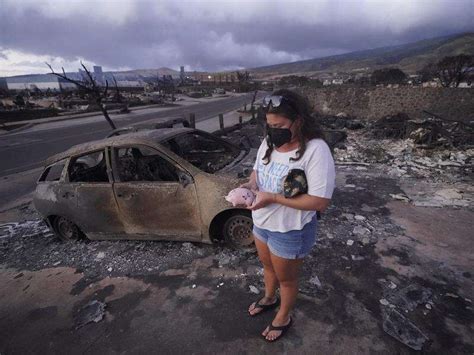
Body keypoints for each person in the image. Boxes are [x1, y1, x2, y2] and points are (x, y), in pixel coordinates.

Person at [241, 89, 335, 342]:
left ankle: (284, 315)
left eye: (279, 125)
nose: (273, 131)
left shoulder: (316, 150)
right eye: (269, 125)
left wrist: (272, 197)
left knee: (287, 278)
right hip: (262, 223)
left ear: (299, 121)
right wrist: (249, 187)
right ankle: (269, 298)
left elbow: (320, 201)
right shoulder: (269, 142)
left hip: (290, 229)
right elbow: (256, 171)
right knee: (268, 267)